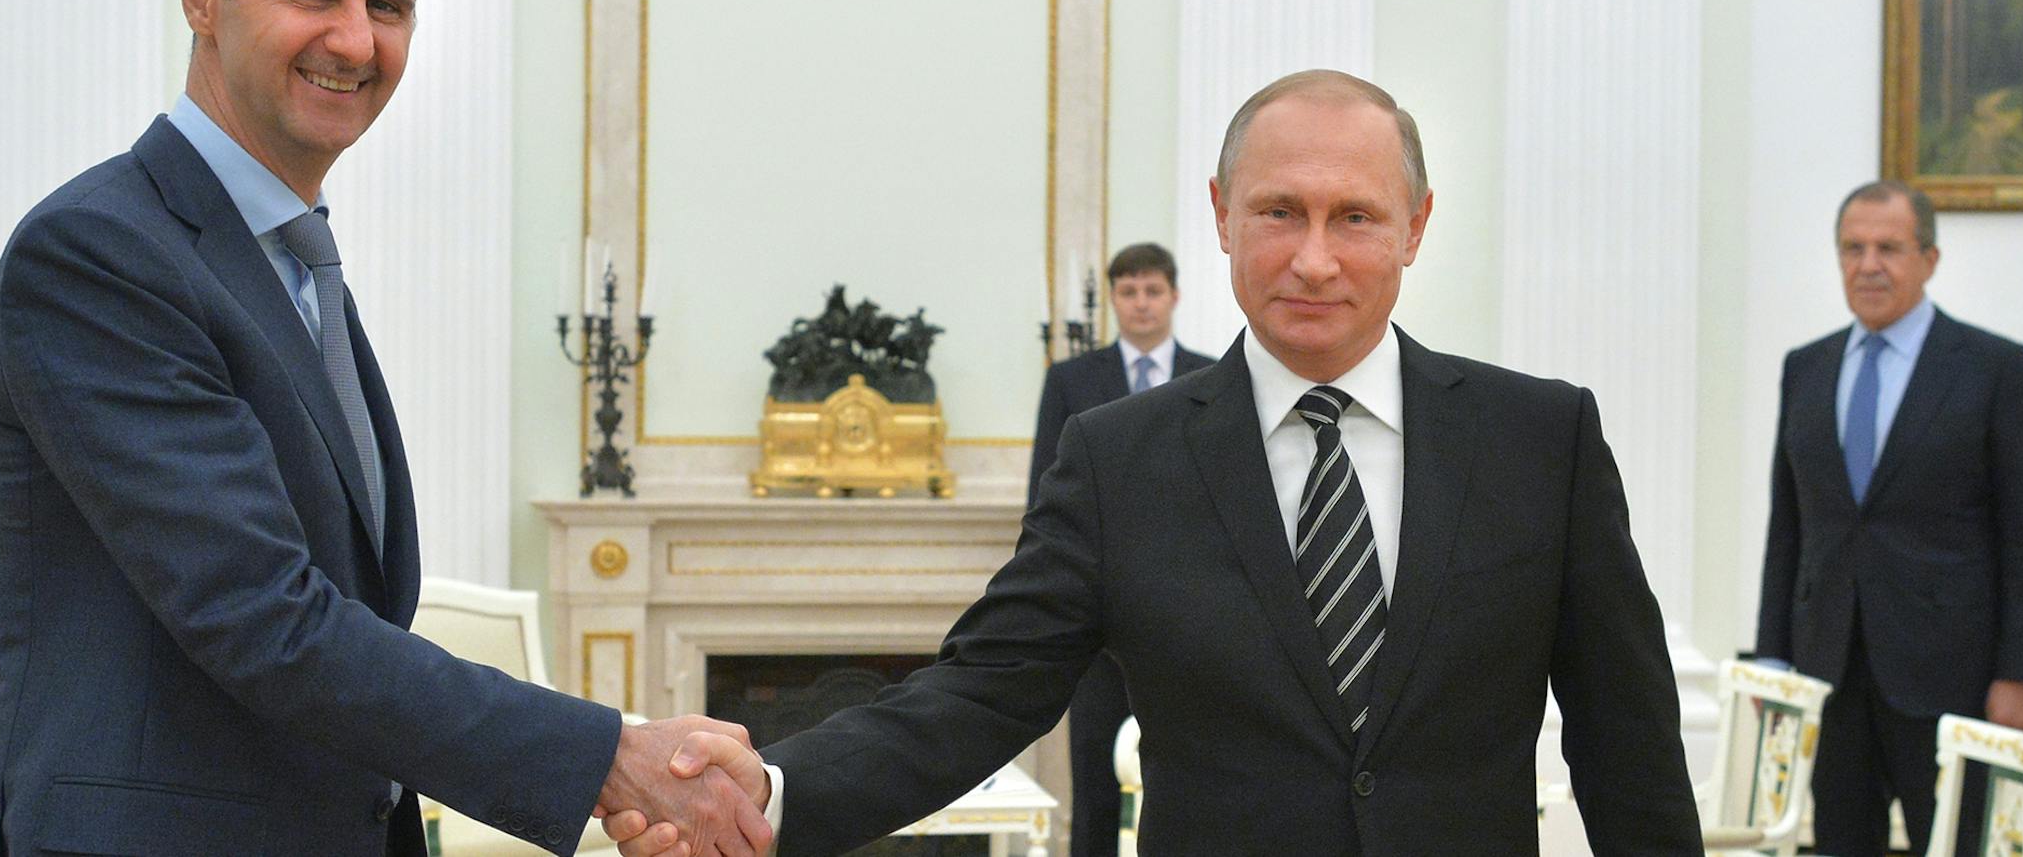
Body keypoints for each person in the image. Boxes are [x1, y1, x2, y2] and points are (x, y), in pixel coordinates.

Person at [609, 69, 1700, 855]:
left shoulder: (1539, 441)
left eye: (1356, 217)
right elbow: (982, 692)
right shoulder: (1119, 458)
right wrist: (777, 790)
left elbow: (1628, 741)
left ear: (1415, 227)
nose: (1313, 257)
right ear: (1222, 216)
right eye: (1279, 211)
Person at [0, 0, 767, 857]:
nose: (355, 41)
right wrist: (607, 757)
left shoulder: (291, 261)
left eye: (388, 4)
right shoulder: (98, 254)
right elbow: (265, 616)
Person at [1756, 180, 2023, 857]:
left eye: (1888, 248)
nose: (1869, 265)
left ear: (1930, 259)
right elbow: (1790, 526)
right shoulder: (1806, 368)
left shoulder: (1994, 368)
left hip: (1955, 678)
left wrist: (2020, 674)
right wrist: (1773, 658)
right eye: (1852, 248)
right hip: (1829, 674)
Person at [1026, 241, 1213, 856]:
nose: (1141, 303)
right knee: (1094, 779)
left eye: (1152, 290)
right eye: (1128, 292)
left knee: (1190, 781)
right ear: (1113, 299)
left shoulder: (1214, 376)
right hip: (1097, 609)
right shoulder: (1071, 379)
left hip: (1192, 609)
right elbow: (1046, 493)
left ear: (1174, 296)